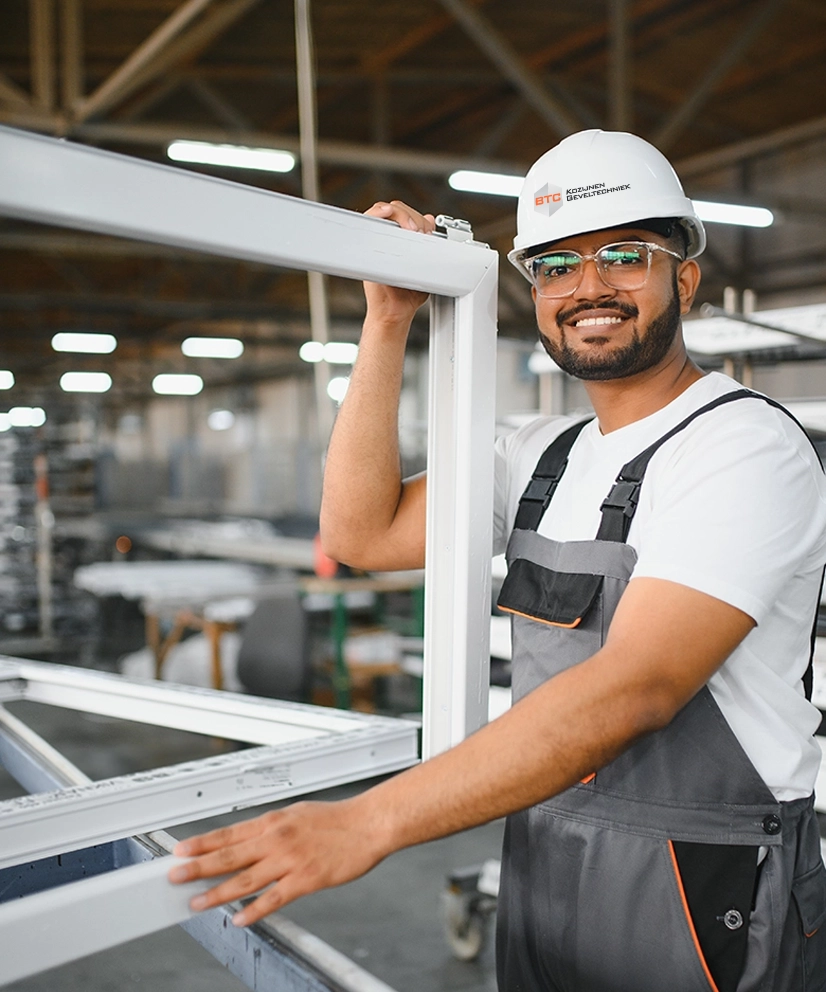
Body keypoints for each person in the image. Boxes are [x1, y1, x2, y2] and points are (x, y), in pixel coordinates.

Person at [169, 130, 826, 992]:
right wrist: (387, 318)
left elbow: (638, 685)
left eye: (622, 256)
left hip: (708, 884)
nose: (588, 287)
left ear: (685, 278)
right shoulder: (539, 455)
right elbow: (359, 534)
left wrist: (370, 822)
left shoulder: (742, 446)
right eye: (555, 266)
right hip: (546, 853)